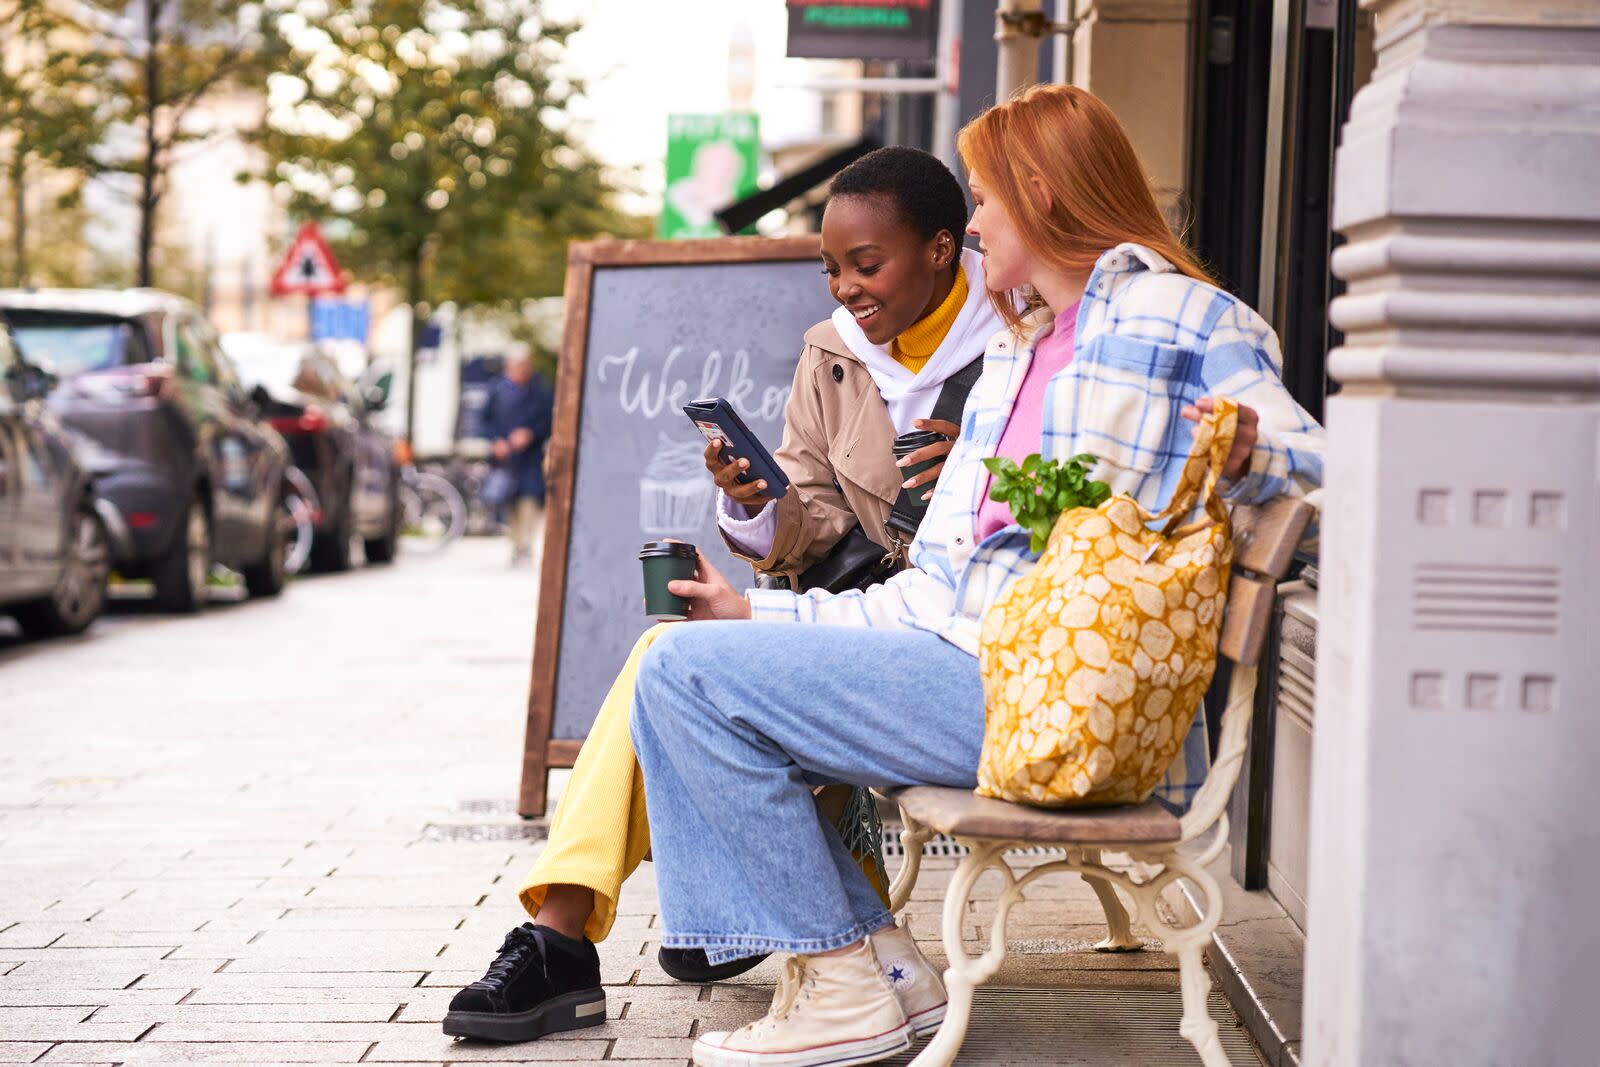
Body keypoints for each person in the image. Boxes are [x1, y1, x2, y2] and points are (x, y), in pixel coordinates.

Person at [625, 84, 1327, 1067]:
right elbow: (931, 590)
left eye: (986, 201)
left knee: (679, 679)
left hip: (1061, 694)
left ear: (1040, 193)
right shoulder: (1021, 344)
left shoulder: (1175, 313)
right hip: (973, 661)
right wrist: (759, 608)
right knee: (684, 651)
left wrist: (1247, 454)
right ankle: (880, 968)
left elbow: (1315, 462)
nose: (975, 226)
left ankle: (841, 979)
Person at [442, 147, 1009, 1044]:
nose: (847, 289)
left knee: (675, 663)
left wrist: (978, 477)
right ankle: (573, 931)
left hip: (942, 641)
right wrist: (755, 500)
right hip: (859, 618)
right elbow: (815, 513)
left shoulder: (1017, 342)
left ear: (945, 248)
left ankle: (564, 938)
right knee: (668, 657)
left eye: (868, 265)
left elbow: (1036, 512)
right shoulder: (833, 350)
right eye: (832, 268)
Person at [482, 345, 553, 566]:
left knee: (530, 500)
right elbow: (485, 422)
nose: (522, 370)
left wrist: (530, 434)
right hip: (506, 460)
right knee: (510, 504)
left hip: (530, 458)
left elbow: (549, 421)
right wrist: (497, 441)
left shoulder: (539, 391)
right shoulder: (496, 391)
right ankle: (515, 544)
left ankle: (525, 545)